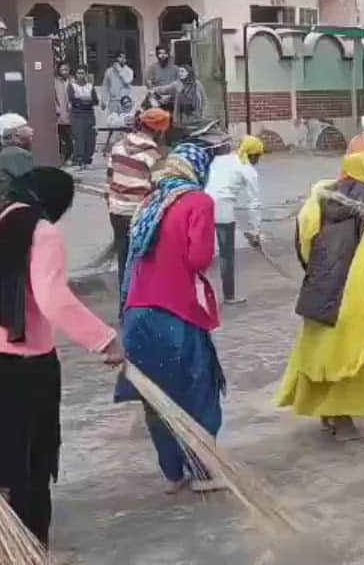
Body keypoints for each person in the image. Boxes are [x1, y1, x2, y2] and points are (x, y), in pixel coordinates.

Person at [0, 168, 123, 546]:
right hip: (26, 366)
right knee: (32, 462)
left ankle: (2, 543)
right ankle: (32, 547)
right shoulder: (42, 231)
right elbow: (53, 299)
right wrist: (105, 340)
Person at [276, 150, 364, 441]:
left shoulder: (320, 197)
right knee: (348, 357)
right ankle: (344, 424)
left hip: (319, 289)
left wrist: (316, 273)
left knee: (321, 352)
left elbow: (304, 239)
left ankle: (327, 413)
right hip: (352, 293)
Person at [114, 143, 227, 493]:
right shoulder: (198, 202)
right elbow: (199, 258)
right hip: (175, 313)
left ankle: (173, 474)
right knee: (197, 389)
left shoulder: (151, 201)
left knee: (156, 395)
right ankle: (203, 472)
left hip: (137, 314)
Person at [106, 108, 170, 288]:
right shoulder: (153, 154)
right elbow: (159, 188)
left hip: (116, 211)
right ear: (158, 131)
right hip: (138, 214)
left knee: (123, 260)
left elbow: (109, 180)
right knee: (143, 263)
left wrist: (113, 203)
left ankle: (123, 307)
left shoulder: (118, 146)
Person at [204, 135, 263, 305]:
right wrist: (255, 232)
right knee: (226, 255)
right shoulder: (249, 170)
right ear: (254, 155)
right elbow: (254, 203)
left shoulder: (221, 159)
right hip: (223, 210)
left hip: (203, 205)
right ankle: (229, 296)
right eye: (258, 156)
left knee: (202, 252)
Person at [0, 113, 35, 208]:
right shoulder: (18, 155)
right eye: (26, 128)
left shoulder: (3, 156)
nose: (31, 131)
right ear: (16, 135)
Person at [69, 64, 100, 168]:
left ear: (86, 74)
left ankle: (88, 161)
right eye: (78, 73)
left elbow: (95, 101)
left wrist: (83, 100)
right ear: (75, 75)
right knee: (79, 137)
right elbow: (73, 100)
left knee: (90, 137)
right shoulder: (72, 86)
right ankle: (78, 160)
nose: (80, 75)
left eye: (82, 73)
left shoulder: (90, 86)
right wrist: (86, 100)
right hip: (77, 115)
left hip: (89, 115)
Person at [102, 52, 135, 116]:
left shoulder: (129, 71)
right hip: (113, 101)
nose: (122, 59)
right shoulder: (109, 71)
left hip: (126, 100)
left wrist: (119, 70)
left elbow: (127, 81)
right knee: (113, 121)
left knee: (126, 121)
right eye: (120, 57)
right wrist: (103, 100)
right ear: (116, 59)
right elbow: (105, 87)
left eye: (124, 57)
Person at [53, 61, 73, 164]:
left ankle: (70, 157)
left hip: (72, 113)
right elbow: (52, 96)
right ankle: (62, 157)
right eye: (62, 70)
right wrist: (57, 109)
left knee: (71, 136)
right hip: (60, 114)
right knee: (62, 137)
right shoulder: (55, 82)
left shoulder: (72, 81)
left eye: (66, 69)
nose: (64, 72)